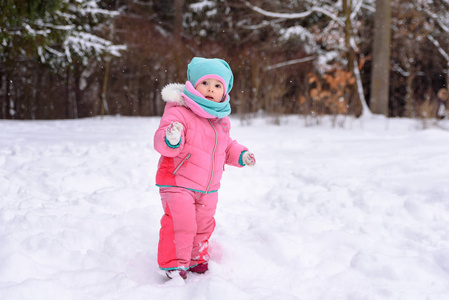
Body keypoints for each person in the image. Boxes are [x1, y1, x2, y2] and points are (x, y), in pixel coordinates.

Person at [153, 57, 256, 280]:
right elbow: (162, 142)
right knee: (182, 222)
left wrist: (241, 154)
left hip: (208, 187)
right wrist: (171, 137)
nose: (211, 88)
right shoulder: (179, 111)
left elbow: (226, 146)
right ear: (193, 86)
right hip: (178, 181)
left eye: (217, 85)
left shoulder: (220, 121)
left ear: (224, 92)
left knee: (203, 224)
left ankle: (196, 258)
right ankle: (174, 264)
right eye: (205, 83)